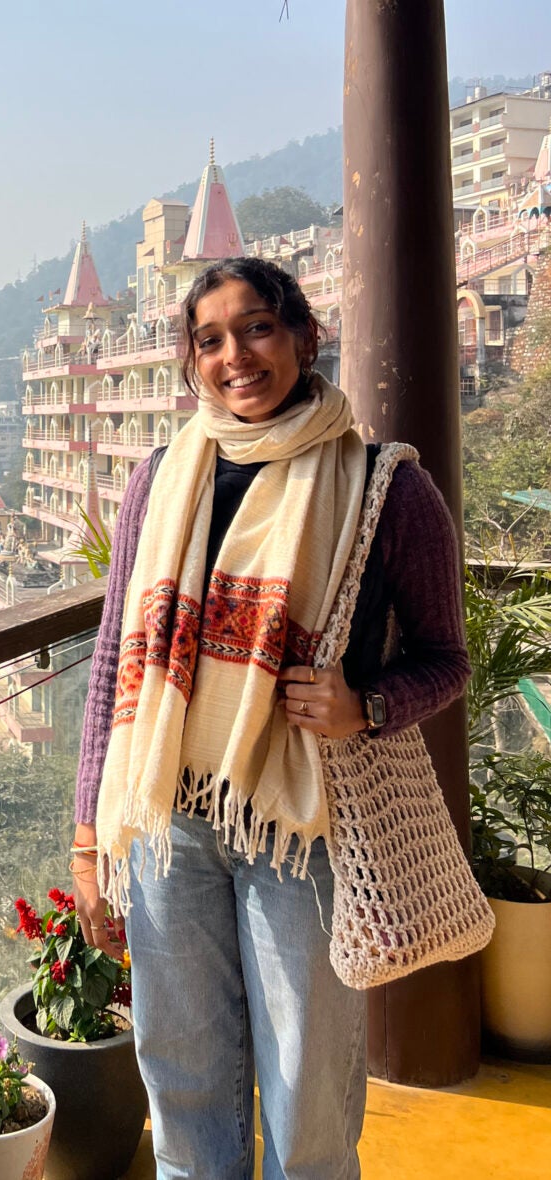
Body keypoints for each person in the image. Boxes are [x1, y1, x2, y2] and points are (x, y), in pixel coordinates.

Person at [71, 257, 470, 1179]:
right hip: (169, 817)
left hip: (304, 827)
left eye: (255, 328)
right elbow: (112, 667)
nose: (234, 356)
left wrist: (364, 706)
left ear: (302, 336)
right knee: (182, 1080)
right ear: (190, 363)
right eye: (208, 339)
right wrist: (89, 842)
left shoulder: (383, 487)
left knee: (307, 1097)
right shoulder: (159, 483)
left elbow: (447, 660)